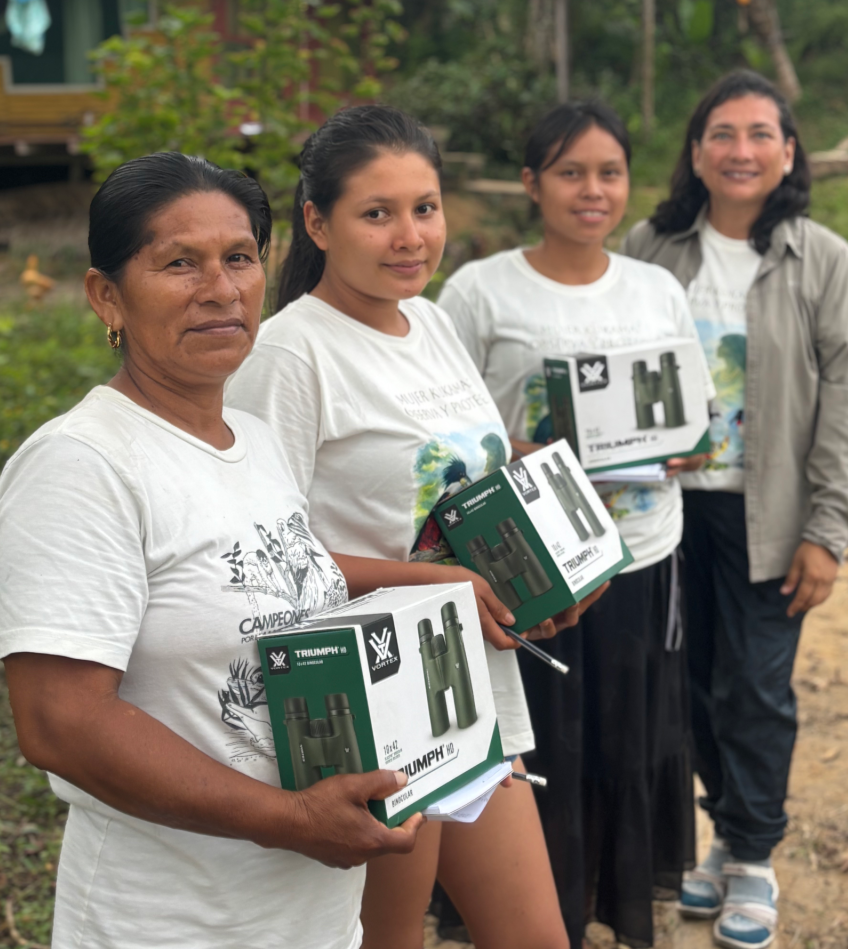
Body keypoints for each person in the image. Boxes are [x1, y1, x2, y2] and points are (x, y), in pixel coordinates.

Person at [0, 151, 507, 949]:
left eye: (238, 258)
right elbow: (60, 720)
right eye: (178, 263)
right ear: (106, 296)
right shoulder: (83, 463)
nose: (221, 289)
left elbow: (286, 577)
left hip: (310, 916)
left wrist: (438, 582)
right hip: (170, 921)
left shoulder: (253, 440)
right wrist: (287, 818)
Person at [225, 105, 597, 949]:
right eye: (376, 212)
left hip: (465, 683)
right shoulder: (289, 355)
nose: (408, 237)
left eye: (424, 208)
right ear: (317, 223)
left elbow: (474, 483)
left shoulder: (429, 320)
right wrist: (441, 583)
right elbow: (256, 558)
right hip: (371, 702)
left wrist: (542, 573)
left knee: (537, 937)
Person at [438, 101, 716, 949]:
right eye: (570, 172)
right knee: (542, 744)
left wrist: (679, 447)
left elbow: (699, 425)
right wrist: (548, 451)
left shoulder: (657, 288)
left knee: (627, 739)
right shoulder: (478, 291)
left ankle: (614, 904)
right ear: (531, 184)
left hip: (640, 556)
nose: (592, 191)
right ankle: (526, 915)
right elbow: (448, 434)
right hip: (528, 572)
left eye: (610, 172)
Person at [622, 70, 848, 949]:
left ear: (788, 153)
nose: (741, 150)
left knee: (756, 688)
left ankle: (755, 856)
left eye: (760, 134)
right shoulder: (649, 250)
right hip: (660, 514)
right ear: (696, 153)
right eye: (722, 133)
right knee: (687, 686)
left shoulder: (823, 258)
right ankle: (721, 836)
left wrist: (829, 528)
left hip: (767, 513)